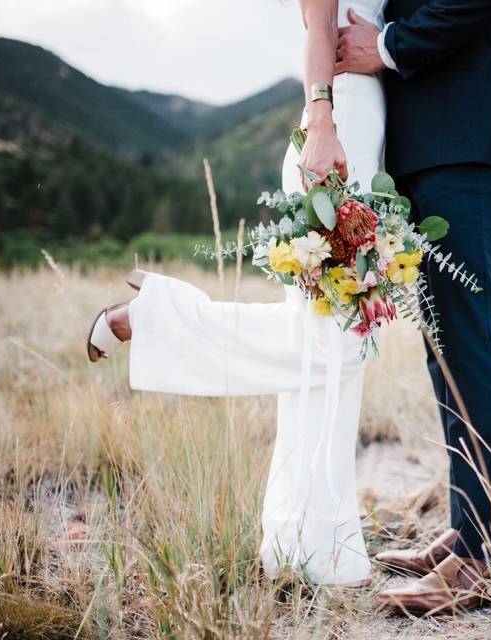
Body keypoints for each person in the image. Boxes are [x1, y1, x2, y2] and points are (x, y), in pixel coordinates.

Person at [84, 0, 388, 587]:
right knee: (338, 348)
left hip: (369, 131)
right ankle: (154, 318)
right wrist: (320, 123)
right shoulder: (330, 121)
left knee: (329, 355)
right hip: (339, 128)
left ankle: (311, 549)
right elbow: (319, 22)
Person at [335, 0, 491, 615]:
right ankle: (473, 527)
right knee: (448, 348)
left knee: (475, 340)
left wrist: (389, 46)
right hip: (435, 145)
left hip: (470, 136)